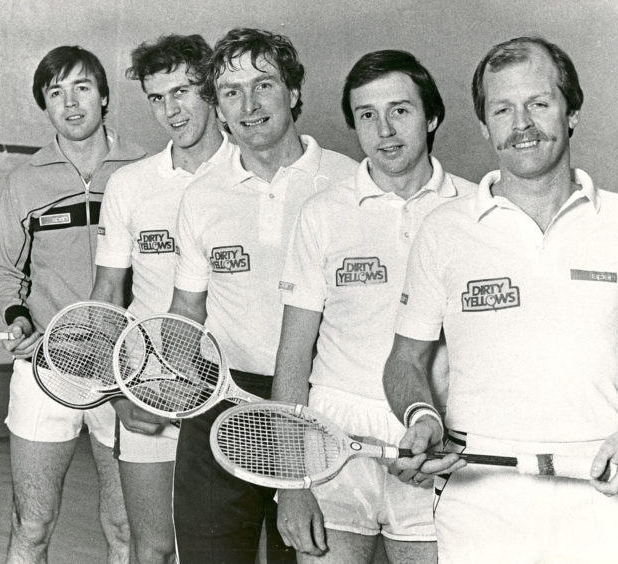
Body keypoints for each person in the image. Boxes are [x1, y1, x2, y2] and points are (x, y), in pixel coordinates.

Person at [382, 36, 618, 564]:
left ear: (572, 112)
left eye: (538, 103)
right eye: (502, 109)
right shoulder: (443, 230)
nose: (522, 124)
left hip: (600, 499)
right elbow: (405, 360)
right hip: (479, 506)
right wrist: (421, 415)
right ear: (483, 125)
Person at [271, 50, 474, 564]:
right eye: (367, 115)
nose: (384, 129)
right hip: (332, 442)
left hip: (437, 445)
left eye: (400, 110)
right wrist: (292, 484)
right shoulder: (322, 214)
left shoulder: (477, 212)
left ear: (431, 117)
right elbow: (293, 356)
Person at [166, 27, 358, 563]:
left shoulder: (348, 184)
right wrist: (173, 383)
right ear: (220, 110)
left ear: (294, 92)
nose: (249, 105)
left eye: (264, 85)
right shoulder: (202, 195)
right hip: (220, 402)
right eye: (231, 92)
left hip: (318, 404)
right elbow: (186, 309)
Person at [0, 45, 146, 564]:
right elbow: (6, 271)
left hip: (126, 369)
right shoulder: (24, 182)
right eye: (55, 93)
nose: (71, 102)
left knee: (128, 525)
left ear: (104, 96)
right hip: (46, 369)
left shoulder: (143, 174)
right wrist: (16, 319)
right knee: (31, 524)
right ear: (46, 106)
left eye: (82, 87)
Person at [89, 34, 236, 564]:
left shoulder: (252, 175)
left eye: (182, 92)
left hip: (233, 393)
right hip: (150, 387)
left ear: (213, 91)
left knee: (223, 551)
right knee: (151, 547)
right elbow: (106, 296)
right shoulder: (130, 185)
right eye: (156, 98)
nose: (171, 111)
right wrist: (117, 390)